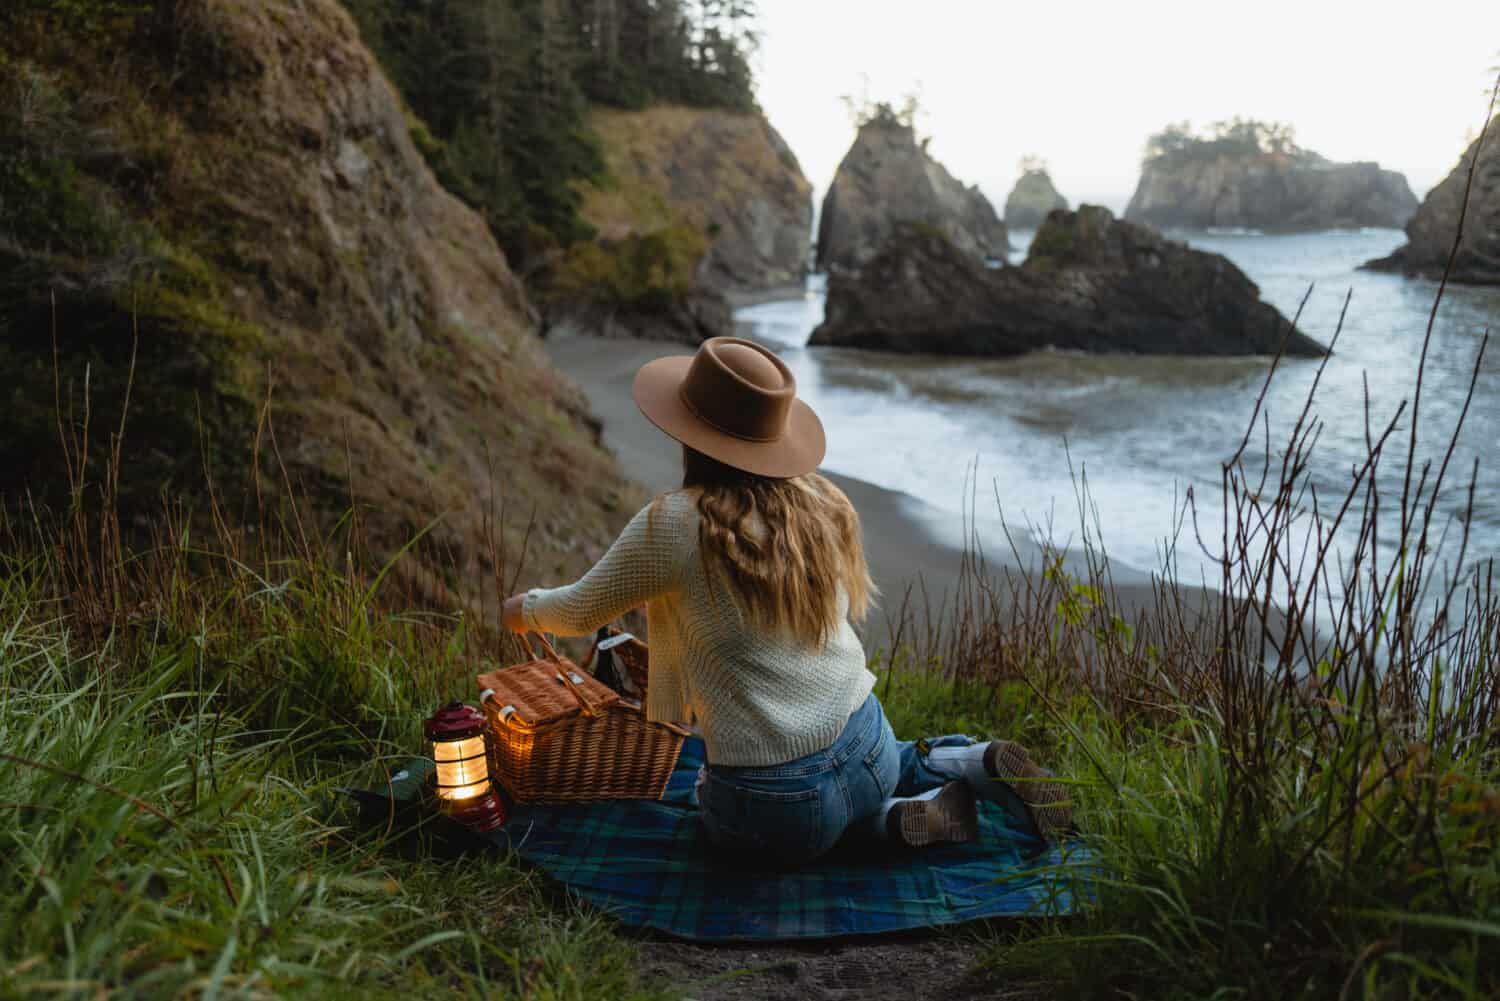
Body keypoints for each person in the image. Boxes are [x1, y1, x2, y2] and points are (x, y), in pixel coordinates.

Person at [501, 336, 1070, 867]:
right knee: (869, 768)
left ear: (689, 428)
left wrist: (523, 608)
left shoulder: (674, 524)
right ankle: (960, 765)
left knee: (715, 814)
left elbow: (578, 612)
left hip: (777, 805)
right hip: (869, 744)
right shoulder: (818, 503)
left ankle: (889, 822)